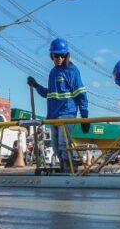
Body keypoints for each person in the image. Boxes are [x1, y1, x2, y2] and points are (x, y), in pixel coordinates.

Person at [27, 38, 90, 172]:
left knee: (63, 144)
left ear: (66, 55)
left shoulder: (72, 71)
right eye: (56, 55)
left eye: (62, 55)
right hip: (53, 116)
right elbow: (49, 94)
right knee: (56, 147)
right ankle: (64, 169)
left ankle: (71, 170)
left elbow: (81, 94)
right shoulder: (53, 73)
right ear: (52, 56)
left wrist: (85, 116)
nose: (59, 58)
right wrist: (36, 85)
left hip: (67, 114)